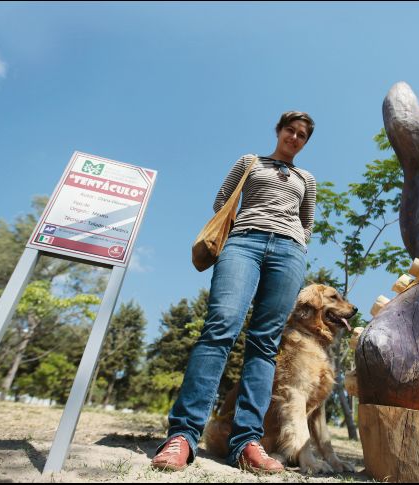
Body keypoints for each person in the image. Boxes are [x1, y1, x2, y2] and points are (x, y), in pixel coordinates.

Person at [151, 111, 317, 474]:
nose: (295, 137)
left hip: (289, 252)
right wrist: (249, 224)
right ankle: (182, 435)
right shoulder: (250, 162)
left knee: (265, 343)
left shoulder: (307, 178)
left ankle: (247, 443)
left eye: (302, 135)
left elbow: (308, 222)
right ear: (279, 131)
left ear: (305, 142)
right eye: (290, 130)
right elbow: (222, 200)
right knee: (220, 327)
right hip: (243, 243)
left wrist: (298, 244)